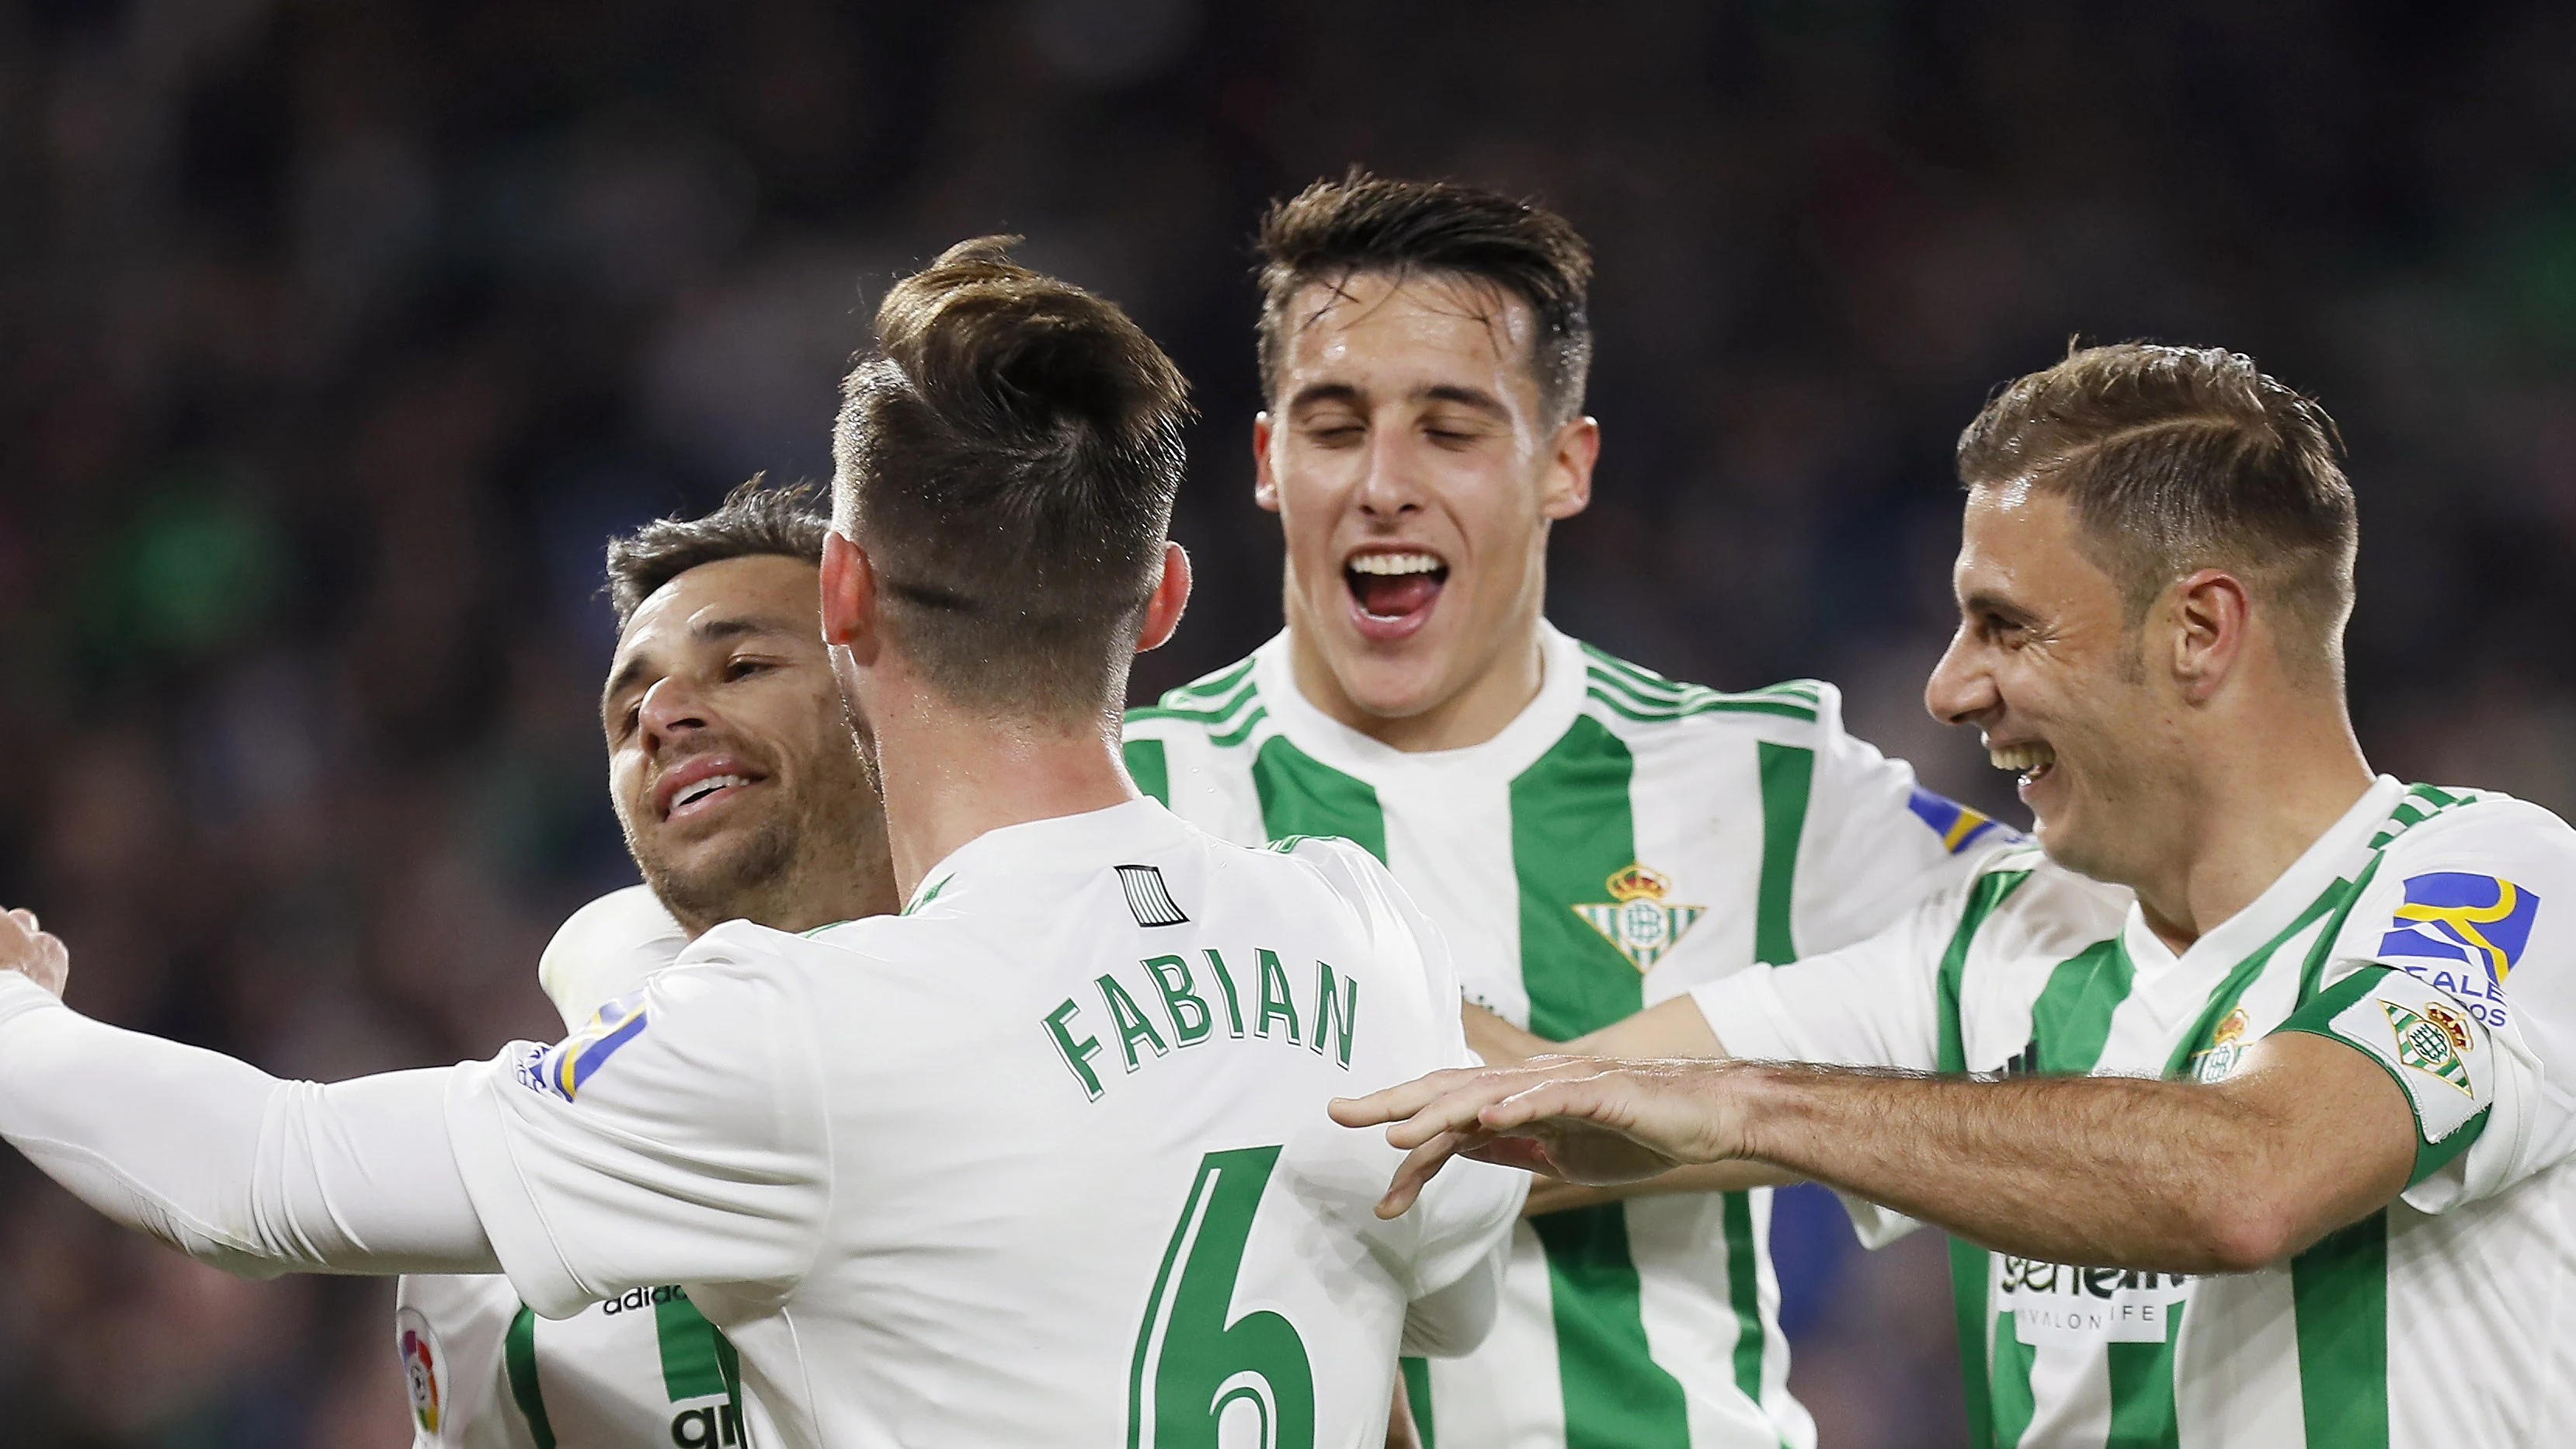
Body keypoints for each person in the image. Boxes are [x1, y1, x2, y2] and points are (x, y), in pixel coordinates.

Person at [0, 238, 1527, 1449]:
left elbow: (259, 1176)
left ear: (842, 602)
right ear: (1165, 600)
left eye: (744, 658)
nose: (670, 716)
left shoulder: (805, 1045)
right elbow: (1409, 1351)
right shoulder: (1356, 932)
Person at [1338, 343, 2576, 1447]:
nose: (1948, 688)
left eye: (2004, 625)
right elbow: (1551, 1112)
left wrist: (1747, 1102)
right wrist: (1260, 916)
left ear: (2199, 629)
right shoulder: (2000, 942)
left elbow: (2253, 1180)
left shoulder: (2482, 877)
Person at [1125, 171, 2012, 1449]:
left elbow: (2092, 982)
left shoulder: (1765, 780)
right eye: (1332, 425)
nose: (1383, 483)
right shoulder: (1134, 794)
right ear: (1268, 463)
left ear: (1564, 465)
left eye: (1450, 429)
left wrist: (1731, 1111)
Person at [397, 481, 898, 1449]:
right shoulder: (492, 1237)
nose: (663, 715)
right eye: (627, 715)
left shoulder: (1084, 1026)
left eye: (742, 664)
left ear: (894, 695)